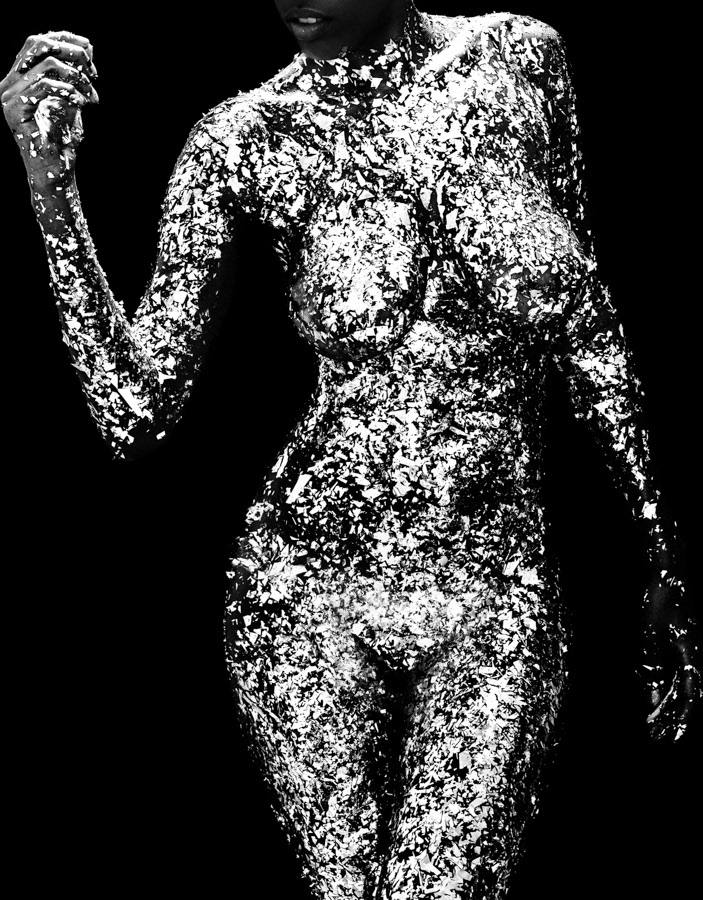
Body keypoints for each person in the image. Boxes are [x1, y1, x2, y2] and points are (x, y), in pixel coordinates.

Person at [2, 2, 699, 898]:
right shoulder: (244, 138)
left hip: (493, 582)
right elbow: (134, 410)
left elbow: (588, 326)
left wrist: (658, 551)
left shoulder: (520, 58)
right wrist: (52, 191)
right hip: (303, 585)